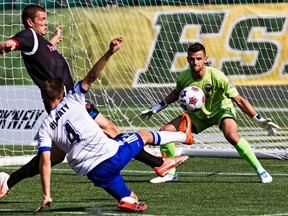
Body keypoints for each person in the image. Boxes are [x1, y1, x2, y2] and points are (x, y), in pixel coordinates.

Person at [0, 4, 179, 199]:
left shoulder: (40, 42)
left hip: (69, 104)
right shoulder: (29, 36)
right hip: (69, 104)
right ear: (30, 22)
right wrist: (8, 45)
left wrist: (53, 42)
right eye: (42, 19)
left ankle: (6, 182)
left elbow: (43, 58)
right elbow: (13, 43)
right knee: (111, 131)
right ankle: (160, 164)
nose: (46, 22)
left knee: (57, 156)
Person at [34, 37, 191, 213]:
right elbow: (92, 76)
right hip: (111, 156)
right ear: (63, 92)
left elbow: (45, 162)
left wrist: (46, 194)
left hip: (94, 173)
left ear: (44, 97)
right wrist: (109, 52)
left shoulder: (45, 127)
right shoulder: (73, 98)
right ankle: (183, 135)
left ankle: (128, 200)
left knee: (132, 198)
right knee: (143, 135)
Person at [140, 42, 279, 184]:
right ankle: (170, 173)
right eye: (192, 59)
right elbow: (177, 92)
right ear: (188, 59)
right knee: (165, 131)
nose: (195, 62)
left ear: (205, 59)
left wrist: (257, 118)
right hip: (198, 115)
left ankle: (261, 170)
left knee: (231, 135)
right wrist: (158, 107)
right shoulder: (183, 76)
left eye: (199, 58)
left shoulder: (217, 76)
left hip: (221, 110)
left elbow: (238, 99)